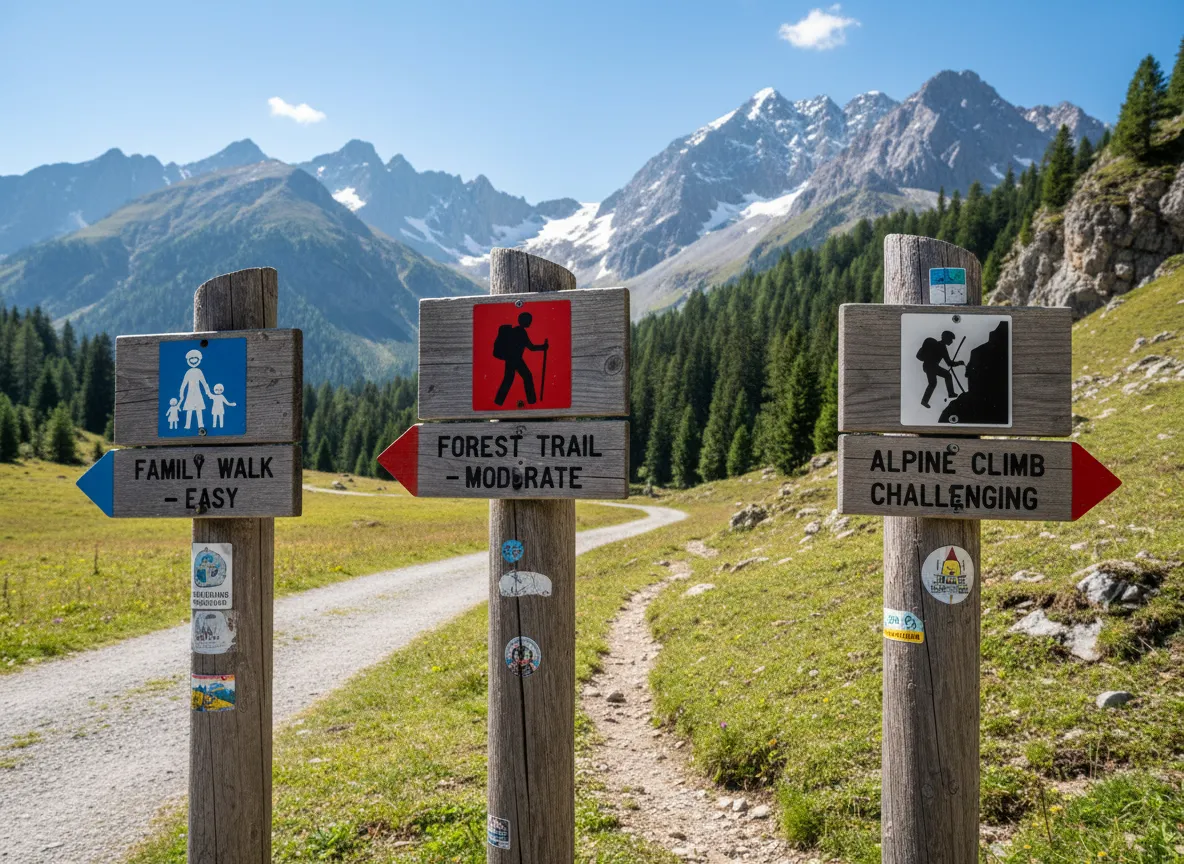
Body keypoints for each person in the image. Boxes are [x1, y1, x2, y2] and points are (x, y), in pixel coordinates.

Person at [493, 312, 548, 406]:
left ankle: (499, 401)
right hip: (515, 360)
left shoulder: (515, 331)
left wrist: (542, 347)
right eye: (529, 320)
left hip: (512, 359)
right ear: (524, 321)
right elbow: (531, 347)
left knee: (510, 379)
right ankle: (531, 401)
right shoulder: (521, 332)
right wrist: (543, 347)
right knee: (524, 377)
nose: (530, 322)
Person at [916, 330, 964, 409]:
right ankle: (950, 393)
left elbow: (949, 363)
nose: (951, 341)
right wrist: (959, 363)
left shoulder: (939, 345)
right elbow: (949, 363)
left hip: (928, 366)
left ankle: (925, 401)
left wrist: (957, 363)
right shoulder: (942, 346)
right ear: (946, 338)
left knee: (939, 379)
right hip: (931, 366)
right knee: (937, 381)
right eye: (951, 339)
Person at [179, 349, 213, 430]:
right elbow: (183, 384)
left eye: (195, 358)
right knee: (189, 409)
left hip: (198, 394)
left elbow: (204, 383)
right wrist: (181, 393)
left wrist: (208, 392)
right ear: (188, 360)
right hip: (190, 394)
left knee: (199, 409)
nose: (193, 360)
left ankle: (200, 424)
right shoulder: (188, 372)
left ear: (199, 360)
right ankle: (187, 425)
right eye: (191, 358)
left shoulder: (199, 371)